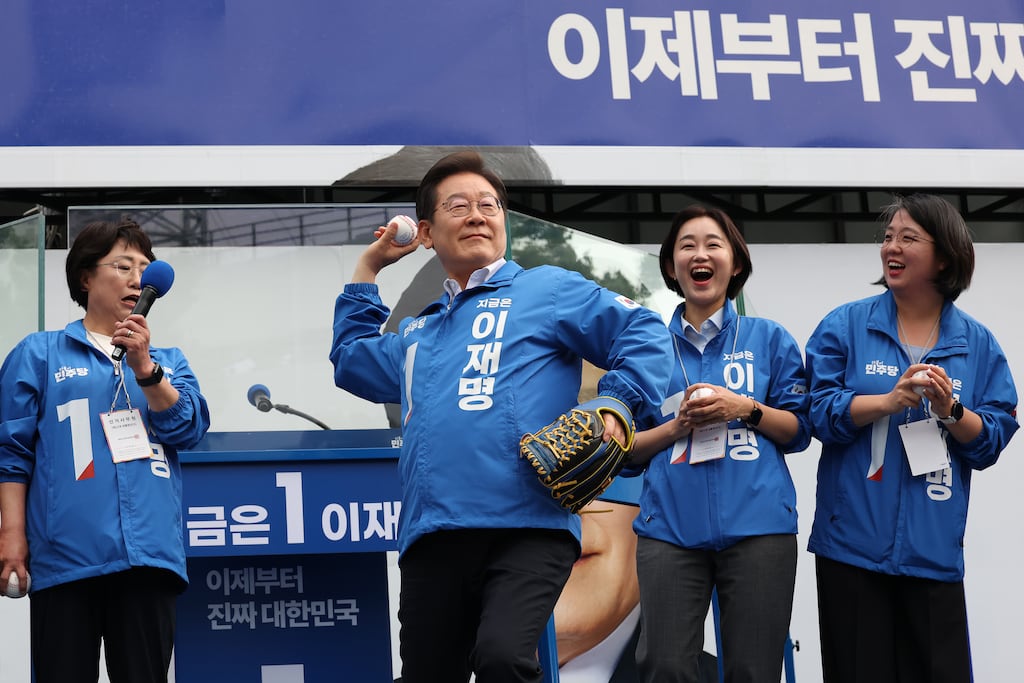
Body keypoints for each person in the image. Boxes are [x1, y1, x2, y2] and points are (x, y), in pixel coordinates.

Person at [330, 149, 673, 683]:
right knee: (427, 674)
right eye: (458, 206)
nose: (477, 215)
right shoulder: (419, 332)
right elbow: (351, 362)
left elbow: (645, 333)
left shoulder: (547, 289)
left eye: (488, 204)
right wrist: (368, 268)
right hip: (435, 532)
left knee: (503, 660)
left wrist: (617, 404)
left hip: (528, 525)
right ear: (424, 232)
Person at [804, 193, 1018, 682]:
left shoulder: (977, 343)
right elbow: (816, 413)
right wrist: (889, 400)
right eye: (887, 237)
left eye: (907, 238)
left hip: (933, 552)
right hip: (851, 549)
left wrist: (950, 410)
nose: (890, 248)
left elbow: (991, 439)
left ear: (944, 256)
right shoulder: (846, 324)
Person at [0, 219, 211, 683]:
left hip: (148, 560)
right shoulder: (39, 354)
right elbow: (10, 454)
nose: (138, 278)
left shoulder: (168, 360)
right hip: (65, 560)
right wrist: (11, 536)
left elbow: (190, 429)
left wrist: (146, 369)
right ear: (85, 277)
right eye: (123, 265)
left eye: (144, 267)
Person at [625, 205, 811, 683]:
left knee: (754, 669)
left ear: (736, 263)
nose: (700, 254)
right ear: (670, 266)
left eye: (713, 244)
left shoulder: (769, 338)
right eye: (687, 245)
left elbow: (800, 430)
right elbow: (624, 454)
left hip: (759, 526)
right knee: (662, 667)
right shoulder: (645, 346)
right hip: (668, 529)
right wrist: (674, 428)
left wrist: (744, 408)